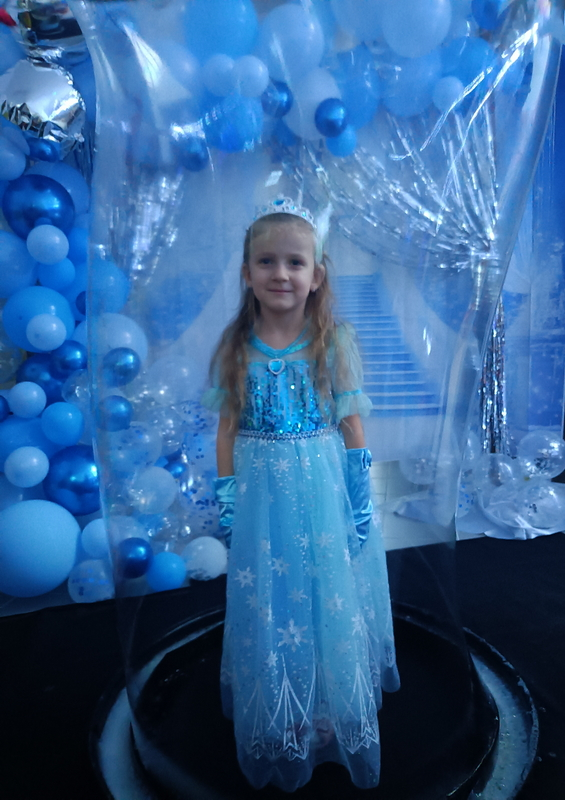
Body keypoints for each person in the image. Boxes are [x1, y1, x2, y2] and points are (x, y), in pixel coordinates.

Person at [203, 197, 399, 792]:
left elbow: (352, 427)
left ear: (317, 275)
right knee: (273, 592)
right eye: (266, 261)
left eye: (295, 262)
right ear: (247, 273)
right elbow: (227, 431)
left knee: (324, 588)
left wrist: (359, 500)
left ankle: (326, 700)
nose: (281, 274)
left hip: (320, 492)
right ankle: (280, 699)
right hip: (263, 500)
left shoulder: (332, 342)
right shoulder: (236, 347)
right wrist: (228, 496)